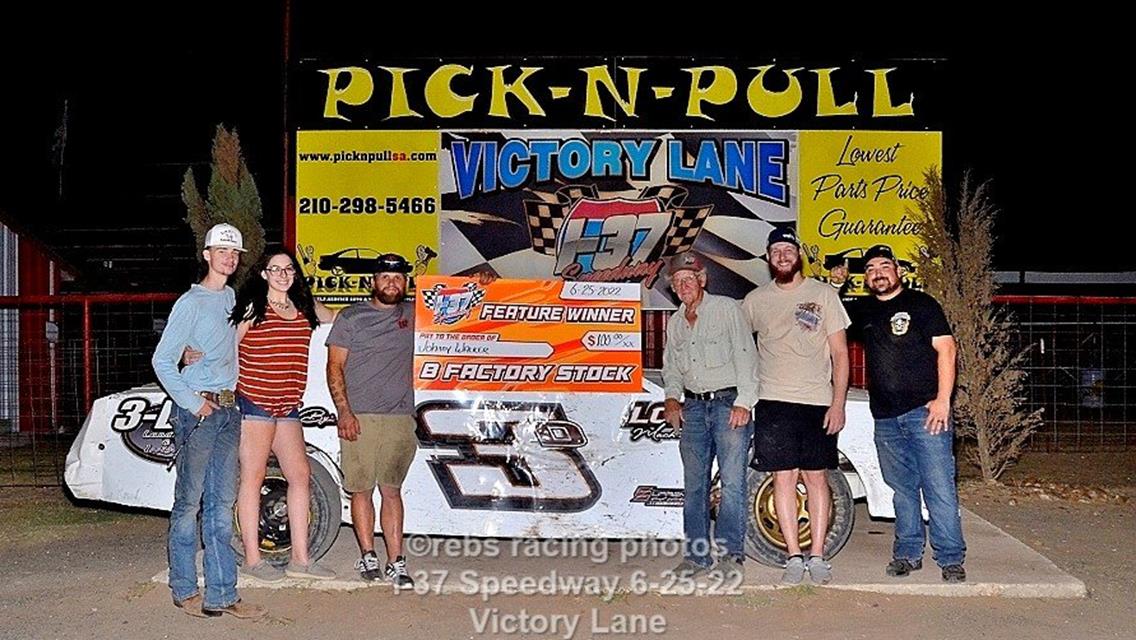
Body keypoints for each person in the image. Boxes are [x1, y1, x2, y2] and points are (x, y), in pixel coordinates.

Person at [151, 223, 266, 619]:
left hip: (229, 411)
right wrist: (191, 400)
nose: (229, 258)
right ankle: (184, 587)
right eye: (221, 251)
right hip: (198, 413)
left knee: (220, 505)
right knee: (188, 503)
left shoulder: (233, 297)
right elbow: (161, 360)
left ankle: (222, 593)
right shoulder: (190, 302)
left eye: (234, 253)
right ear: (206, 255)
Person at [850, 244, 966, 583]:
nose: (877, 272)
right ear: (867, 278)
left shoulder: (922, 304)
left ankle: (950, 558)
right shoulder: (863, 311)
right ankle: (907, 553)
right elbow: (825, 321)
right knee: (901, 489)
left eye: (884, 265)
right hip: (885, 419)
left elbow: (947, 349)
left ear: (898, 270)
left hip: (926, 413)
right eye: (870, 269)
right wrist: (835, 283)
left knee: (939, 487)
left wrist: (944, 399)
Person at [742, 226, 850, 585]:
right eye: (776, 252)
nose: (783, 257)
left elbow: (839, 352)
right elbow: (737, 346)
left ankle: (817, 555)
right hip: (772, 402)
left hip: (817, 402)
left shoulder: (822, 294)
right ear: (769, 258)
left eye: (788, 250)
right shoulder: (755, 300)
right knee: (782, 480)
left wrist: (838, 403)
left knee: (817, 480)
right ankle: (792, 556)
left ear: (798, 255)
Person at [228, 249, 338, 582]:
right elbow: (227, 347)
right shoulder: (252, 308)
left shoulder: (304, 308)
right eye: (275, 269)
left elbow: (339, 317)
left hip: (288, 406)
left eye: (288, 269)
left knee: (300, 476)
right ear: (263, 274)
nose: (282, 274)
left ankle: (301, 561)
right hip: (255, 404)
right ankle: (252, 559)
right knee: (253, 478)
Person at [661, 251, 759, 580]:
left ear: (702, 280)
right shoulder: (675, 322)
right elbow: (671, 368)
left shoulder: (727, 309)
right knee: (693, 486)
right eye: (678, 281)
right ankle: (696, 557)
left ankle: (731, 554)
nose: (684, 285)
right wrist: (672, 398)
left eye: (690, 279)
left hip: (728, 403)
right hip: (693, 408)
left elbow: (747, 355)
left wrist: (744, 401)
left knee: (732, 483)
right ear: (673, 288)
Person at [326, 253, 418, 586]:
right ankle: (367, 555)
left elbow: (462, 309)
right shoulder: (351, 318)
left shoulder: (415, 313)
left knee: (391, 491)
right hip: (359, 417)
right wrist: (344, 412)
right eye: (384, 277)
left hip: (399, 417)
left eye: (398, 278)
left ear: (405, 283)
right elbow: (334, 367)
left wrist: (482, 282)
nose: (392, 283)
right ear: (372, 282)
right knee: (361, 491)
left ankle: (397, 561)